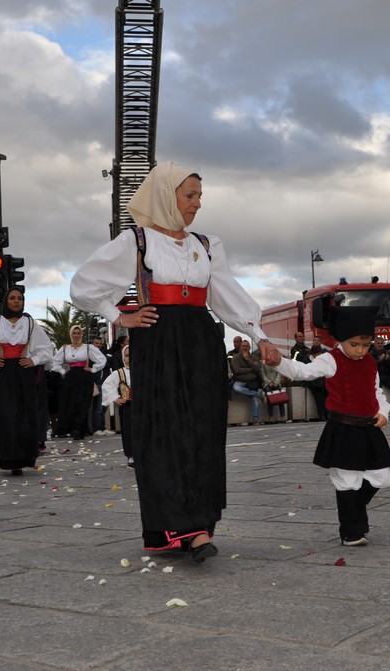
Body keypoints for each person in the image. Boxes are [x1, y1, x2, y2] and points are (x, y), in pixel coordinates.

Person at [70, 161, 274, 562]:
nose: (197, 204)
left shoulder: (206, 243)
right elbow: (84, 285)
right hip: (158, 341)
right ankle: (177, 528)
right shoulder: (137, 241)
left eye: (199, 196)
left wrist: (259, 335)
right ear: (166, 196)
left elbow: (226, 294)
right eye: (190, 195)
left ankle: (199, 524)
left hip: (201, 339)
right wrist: (120, 316)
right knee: (165, 430)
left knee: (203, 428)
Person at [265, 306, 390, 547]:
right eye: (354, 344)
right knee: (347, 481)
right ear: (341, 340)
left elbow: (377, 392)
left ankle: (354, 513)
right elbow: (302, 371)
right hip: (343, 429)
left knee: (381, 477)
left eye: (366, 345)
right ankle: (350, 532)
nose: (361, 350)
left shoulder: (370, 363)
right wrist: (278, 362)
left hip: (369, 428)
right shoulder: (330, 359)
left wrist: (383, 412)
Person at [0, 287, 54, 474]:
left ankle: (23, 458)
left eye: (20, 298)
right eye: (12, 298)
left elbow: (46, 348)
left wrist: (34, 360)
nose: (16, 301)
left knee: (24, 414)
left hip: (23, 373)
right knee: (4, 415)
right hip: (2, 373)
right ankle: (6, 458)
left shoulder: (30, 323)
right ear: (5, 301)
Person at [52, 325, 107, 440]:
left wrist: (93, 369)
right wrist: (63, 370)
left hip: (85, 377)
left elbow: (102, 360)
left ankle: (80, 428)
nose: (76, 335)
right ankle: (73, 428)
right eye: (74, 333)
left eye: (78, 333)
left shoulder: (88, 347)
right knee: (71, 403)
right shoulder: (65, 348)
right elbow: (54, 362)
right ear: (71, 334)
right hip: (71, 378)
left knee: (83, 402)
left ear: (81, 334)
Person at [101, 345, 134, 466]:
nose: (129, 358)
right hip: (127, 406)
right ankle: (131, 455)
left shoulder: (143, 370)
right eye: (126, 355)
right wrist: (116, 398)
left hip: (142, 407)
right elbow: (107, 386)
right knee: (128, 430)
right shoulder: (119, 373)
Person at [230, 340, 263, 425]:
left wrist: (247, 359)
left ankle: (255, 418)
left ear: (249, 347)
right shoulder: (235, 358)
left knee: (254, 399)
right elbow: (236, 370)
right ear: (240, 347)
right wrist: (251, 369)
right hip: (240, 380)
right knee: (236, 388)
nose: (245, 347)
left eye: (246, 346)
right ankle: (258, 394)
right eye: (243, 346)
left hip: (252, 381)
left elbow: (257, 368)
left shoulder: (254, 357)